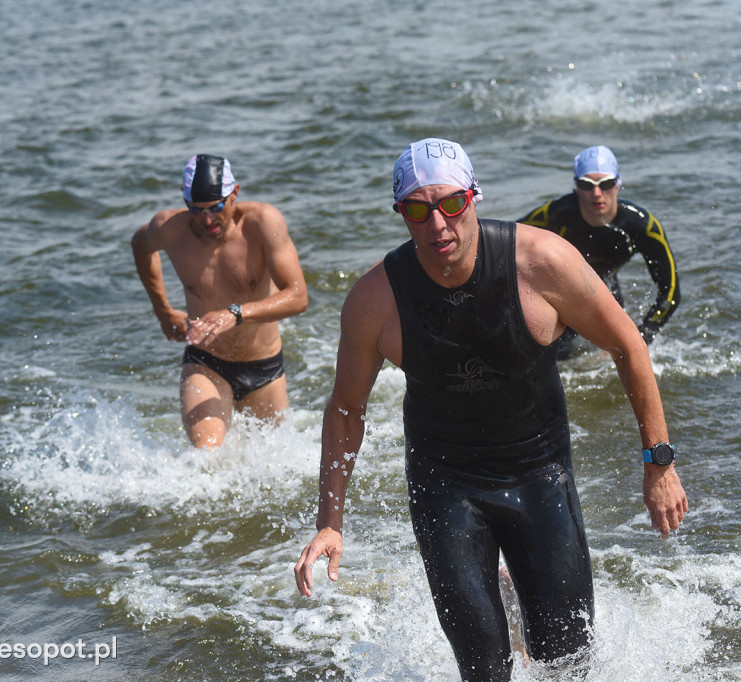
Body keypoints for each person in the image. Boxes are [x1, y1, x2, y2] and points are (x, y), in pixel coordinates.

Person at [294, 138, 687, 681]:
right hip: (445, 485)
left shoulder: (540, 261)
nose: (437, 226)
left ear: (474, 196)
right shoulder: (375, 300)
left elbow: (628, 345)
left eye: (451, 203)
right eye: (417, 210)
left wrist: (659, 462)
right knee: (483, 669)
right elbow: (344, 409)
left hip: (539, 474)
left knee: (566, 663)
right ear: (401, 214)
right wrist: (330, 522)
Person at [131, 154, 308, 448]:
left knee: (272, 468)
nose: (207, 220)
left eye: (216, 207)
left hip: (264, 367)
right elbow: (140, 247)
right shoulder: (170, 229)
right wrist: (162, 310)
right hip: (206, 362)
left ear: (234, 193)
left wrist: (234, 313)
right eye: (196, 210)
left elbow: (298, 296)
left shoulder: (263, 223)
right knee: (207, 459)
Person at [519, 145, 680, 355]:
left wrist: (643, 336)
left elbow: (670, 291)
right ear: (576, 188)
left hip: (606, 290)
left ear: (618, 185)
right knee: (552, 355)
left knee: (618, 350)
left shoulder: (642, 226)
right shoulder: (557, 214)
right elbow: (508, 243)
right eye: (587, 184)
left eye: (606, 184)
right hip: (559, 292)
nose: (596, 193)